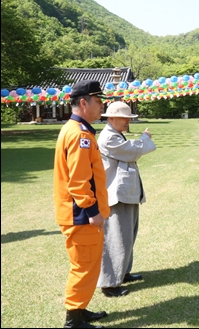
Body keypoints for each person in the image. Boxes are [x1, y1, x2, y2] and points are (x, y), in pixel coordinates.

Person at [53, 80, 110, 328]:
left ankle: (80, 309)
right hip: (81, 215)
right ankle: (73, 320)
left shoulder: (76, 130)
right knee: (83, 266)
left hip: (78, 213)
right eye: (98, 101)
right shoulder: (79, 135)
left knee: (88, 264)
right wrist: (93, 211)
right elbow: (78, 181)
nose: (102, 106)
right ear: (84, 103)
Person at [96, 101, 156, 297]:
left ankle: (122, 272)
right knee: (116, 237)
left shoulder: (115, 134)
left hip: (124, 193)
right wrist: (144, 138)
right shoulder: (109, 137)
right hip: (116, 195)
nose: (127, 122)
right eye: (124, 118)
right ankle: (110, 283)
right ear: (112, 118)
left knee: (127, 235)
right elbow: (131, 151)